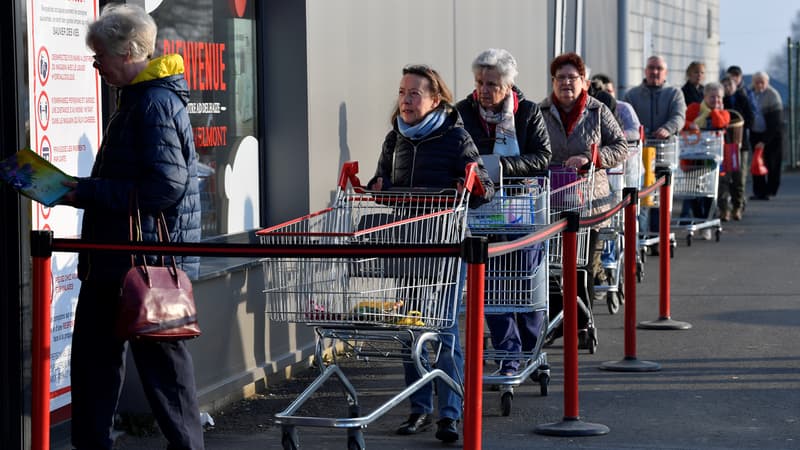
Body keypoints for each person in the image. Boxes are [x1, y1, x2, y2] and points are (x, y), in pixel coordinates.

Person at [59, 4, 204, 449]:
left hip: (141, 264)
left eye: (100, 53)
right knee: (96, 370)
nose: (96, 63)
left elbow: (164, 188)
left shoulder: (153, 103)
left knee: (161, 376)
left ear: (127, 51)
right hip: (118, 261)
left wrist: (84, 191)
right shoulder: (142, 100)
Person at [368, 64, 493, 443]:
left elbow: (483, 184)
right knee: (410, 327)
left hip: (447, 243)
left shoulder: (456, 137)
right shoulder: (395, 139)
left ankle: (450, 414)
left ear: (435, 99)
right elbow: (382, 185)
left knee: (443, 328)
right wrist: (378, 186)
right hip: (408, 242)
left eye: (414, 93)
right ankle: (419, 408)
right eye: (402, 92)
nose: (405, 100)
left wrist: (468, 184)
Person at [454, 48, 551, 377]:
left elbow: (542, 158)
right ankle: (508, 357)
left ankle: (532, 350)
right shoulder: (462, 113)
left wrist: (501, 166)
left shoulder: (527, 112)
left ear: (508, 85)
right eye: (479, 82)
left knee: (526, 283)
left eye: (492, 83)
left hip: (520, 207)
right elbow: (455, 153)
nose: (483, 89)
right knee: (493, 287)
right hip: (482, 211)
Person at [539, 52, 627, 298]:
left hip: (590, 204)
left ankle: (582, 327)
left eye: (572, 77)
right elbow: (530, 149)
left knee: (583, 267)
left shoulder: (598, 111)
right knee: (553, 267)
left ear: (584, 81)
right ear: (553, 81)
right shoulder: (540, 111)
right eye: (560, 77)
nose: (566, 82)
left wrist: (591, 158)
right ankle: (558, 322)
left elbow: (621, 147)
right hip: (553, 202)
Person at [624, 55, 686, 234]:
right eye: (651, 68)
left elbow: (679, 116)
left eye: (659, 68)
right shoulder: (633, 95)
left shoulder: (674, 94)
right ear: (645, 71)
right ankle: (641, 239)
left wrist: (668, 128)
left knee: (661, 201)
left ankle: (659, 239)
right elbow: (625, 118)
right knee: (642, 198)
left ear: (665, 72)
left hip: (664, 155)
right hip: (640, 156)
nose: (655, 72)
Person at [682, 82, 730, 229]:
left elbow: (720, 123)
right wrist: (691, 124)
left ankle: (707, 221)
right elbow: (683, 122)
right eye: (712, 97)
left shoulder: (724, 113)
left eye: (719, 97)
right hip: (693, 157)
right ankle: (698, 219)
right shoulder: (694, 108)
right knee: (694, 191)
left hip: (712, 158)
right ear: (705, 97)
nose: (716, 100)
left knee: (710, 192)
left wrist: (714, 111)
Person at [721, 75, 755, 220]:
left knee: (739, 178)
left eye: (730, 85)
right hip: (723, 144)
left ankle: (737, 206)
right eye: (725, 85)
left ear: (735, 86)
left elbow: (750, 119)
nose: (728, 88)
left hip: (740, 146)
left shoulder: (742, 99)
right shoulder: (720, 100)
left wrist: (738, 126)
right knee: (723, 178)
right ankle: (724, 209)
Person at [749, 71, 784, 200]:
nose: (759, 85)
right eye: (757, 82)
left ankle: (770, 190)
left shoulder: (773, 95)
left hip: (771, 135)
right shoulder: (750, 93)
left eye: (762, 82)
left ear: (767, 83)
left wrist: (764, 141)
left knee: (772, 163)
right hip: (755, 133)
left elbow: (776, 122)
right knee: (756, 164)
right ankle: (759, 191)